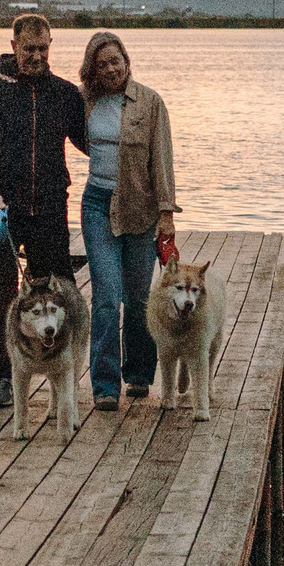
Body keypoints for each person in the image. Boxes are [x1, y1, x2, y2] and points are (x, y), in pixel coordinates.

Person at [0, 13, 88, 409]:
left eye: (42, 48)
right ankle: (4, 375)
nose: (36, 56)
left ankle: (61, 373)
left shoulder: (65, 94)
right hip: (2, 210)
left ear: (50, 46)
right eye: (28, 48)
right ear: (13, 46)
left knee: (61, 289)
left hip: (50, 208)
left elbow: (91, 142)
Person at [76, 30, 179, 405]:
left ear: (126, 61)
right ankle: (104, 386)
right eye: (101, 64)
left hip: (140, 207)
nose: (110, 69)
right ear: (92, 69)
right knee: (105, 295)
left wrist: (166, 214)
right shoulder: (84, 101)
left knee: (137, 298)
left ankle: (137, 373)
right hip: (97, 204)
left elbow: (162, 160)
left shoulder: (150, 102)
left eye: (115, 61)